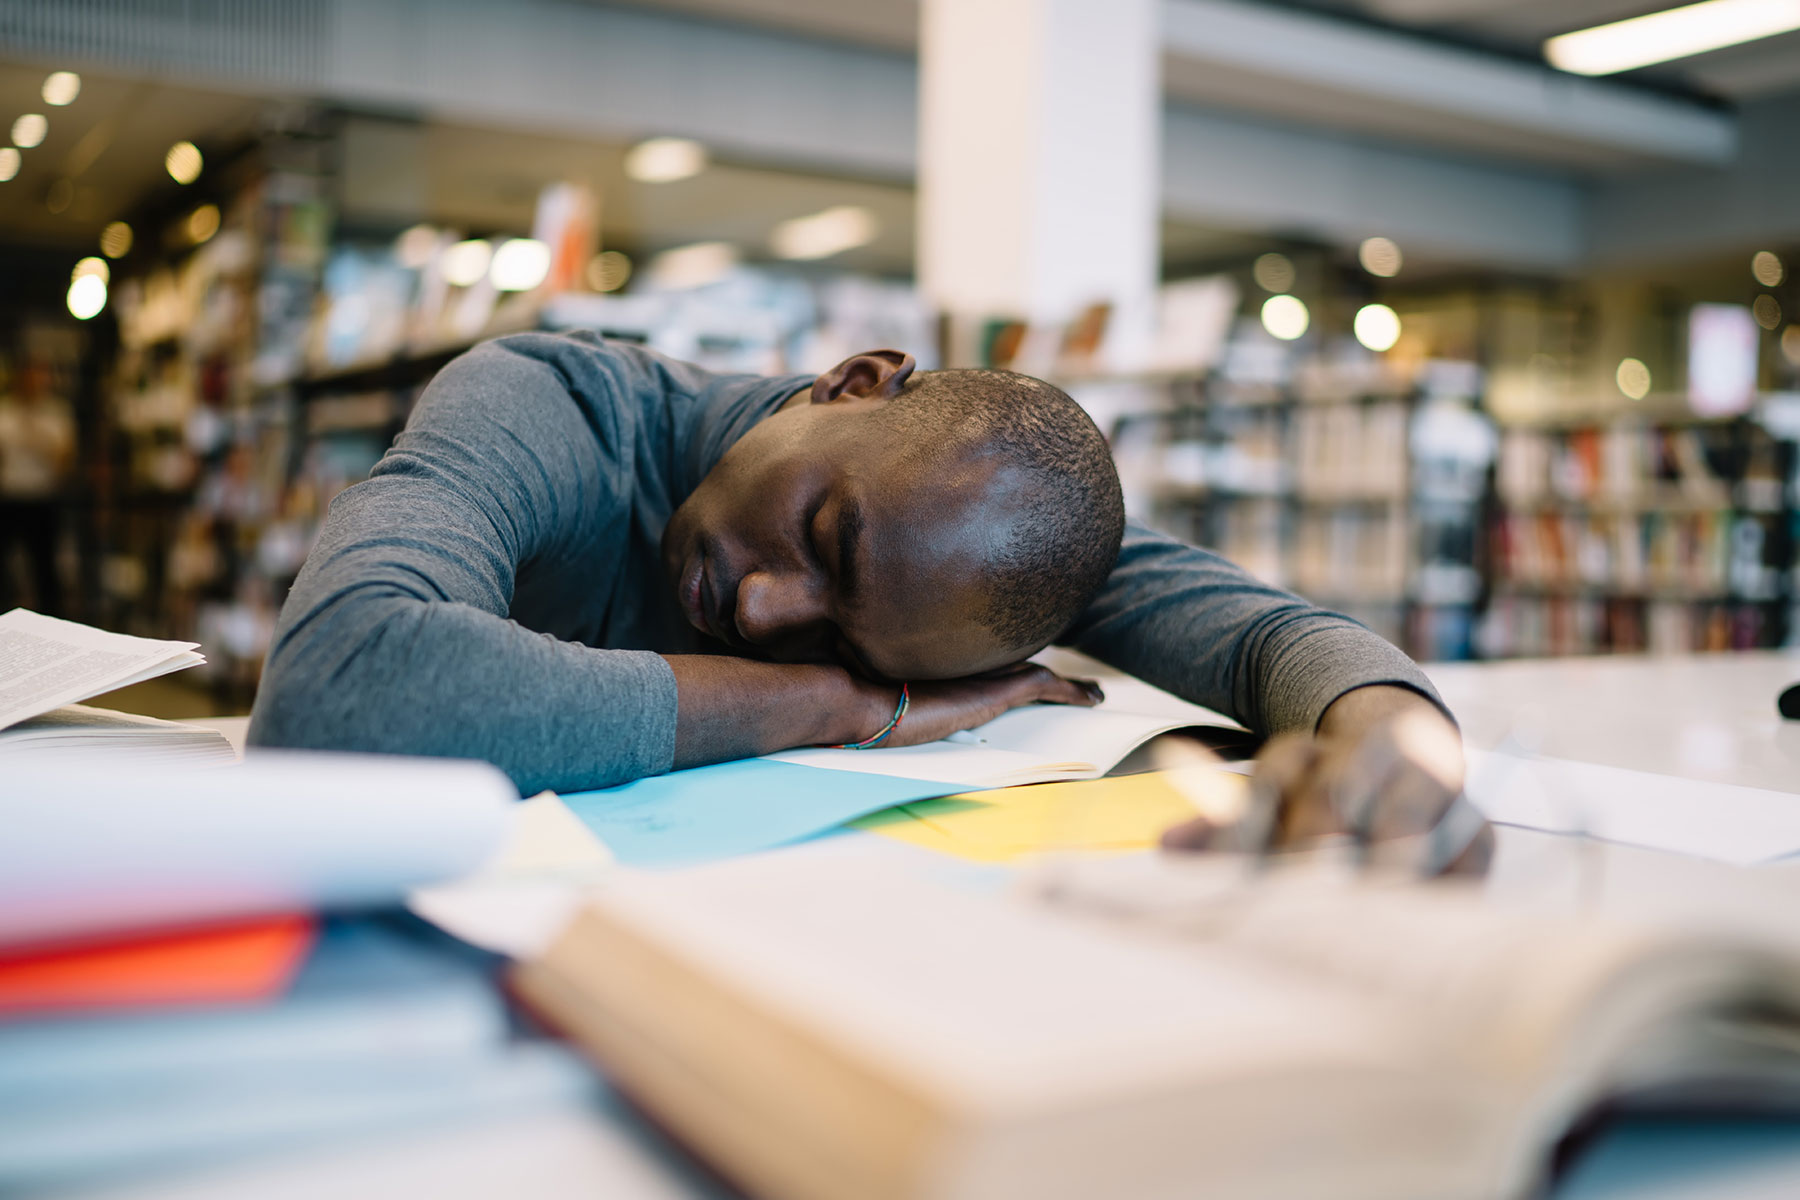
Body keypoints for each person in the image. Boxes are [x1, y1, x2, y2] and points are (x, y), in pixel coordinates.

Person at [249, 333, 1485, 870]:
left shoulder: (975, 543)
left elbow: (1269, 637)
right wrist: (839, 700)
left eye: (841, 635)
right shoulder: (545, 405)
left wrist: (1398, 738)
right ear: (851, 382)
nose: (770, 609)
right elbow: (342, 686)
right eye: (822, 536)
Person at [0, 362, 76, 616]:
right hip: (9, 497)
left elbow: (65, 459)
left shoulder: (56, 413)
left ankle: (50, 623)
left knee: (45, 568)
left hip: (42, 498)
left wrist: (36, 438)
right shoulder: (5, 411)